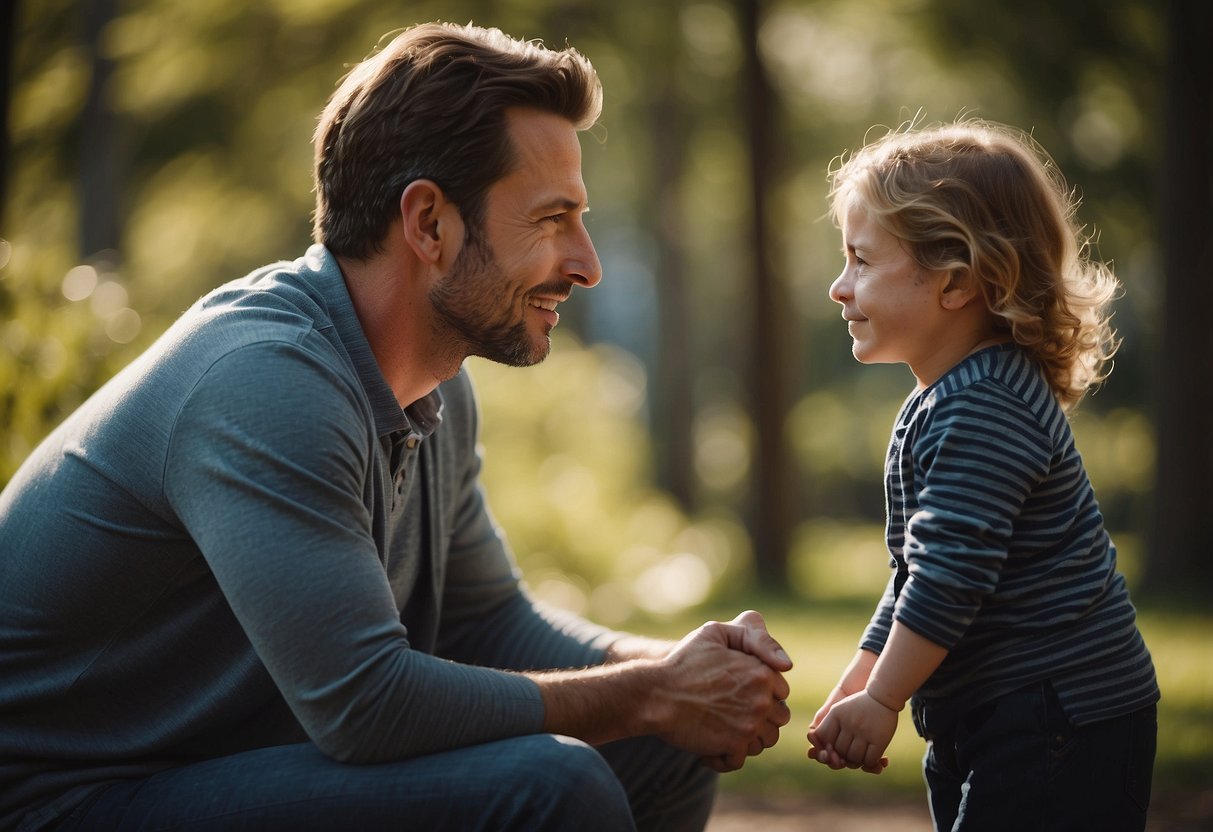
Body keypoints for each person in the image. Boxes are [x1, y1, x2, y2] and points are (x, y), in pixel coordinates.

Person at [0, 22, 793, 832]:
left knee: (657, 748)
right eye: (552, 219)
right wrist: (655, 695)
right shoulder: (265, 381)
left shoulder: (430, 383)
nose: (585, 262)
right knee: (551, 785)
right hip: (62, 801)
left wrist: (678, 668)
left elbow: (485, 623)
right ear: (428, 224)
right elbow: (365, 706)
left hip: (207, 772)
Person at [806, 119, 1159, 831]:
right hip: (1005, 711)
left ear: (956, 281)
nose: (838, 287)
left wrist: (883, 701)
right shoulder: (948, 395)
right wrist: (867, 672)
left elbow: (951, 575)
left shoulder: (985, 404)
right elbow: (918, 566)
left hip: (1060, 715)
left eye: (861, 261)